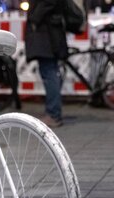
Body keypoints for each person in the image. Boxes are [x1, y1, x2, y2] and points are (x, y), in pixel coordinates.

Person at [24, 0, 68, 128]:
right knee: (50, 72)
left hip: (46, 34)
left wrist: (34, 18)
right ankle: (53, 112)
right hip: (49, 33)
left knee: (49, 73)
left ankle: (53, 114)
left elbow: (48, 3)